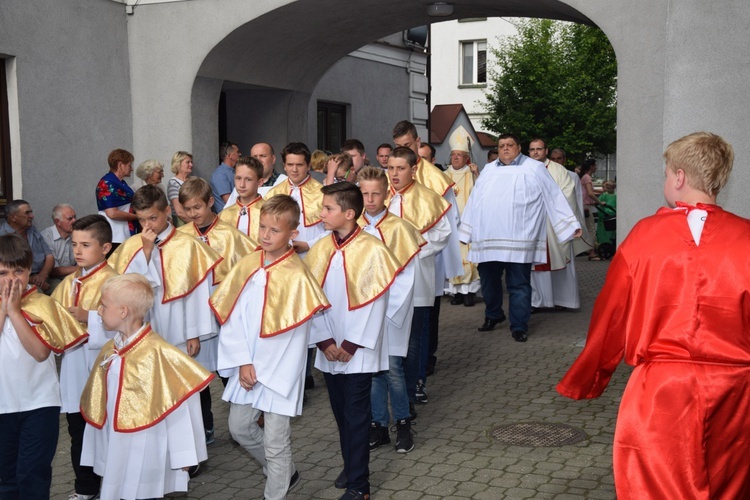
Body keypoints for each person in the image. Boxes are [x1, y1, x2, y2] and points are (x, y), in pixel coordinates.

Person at [557, 132, 750, 499]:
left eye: (665, 173)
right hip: (737, 391)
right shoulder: (747, 236)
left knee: (655, 484)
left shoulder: (645, 235)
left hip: (661, 389)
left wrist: (590, 375)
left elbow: (612, 314)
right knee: (731, 484)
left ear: (678, 177)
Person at [211, 195, 329, 500]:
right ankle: (286, 472)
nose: (265, 235)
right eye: (262, 227)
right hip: (247, 367)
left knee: (277, 443)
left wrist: (261, 367)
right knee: (239, 429)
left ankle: (274, 491)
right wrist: (242, 362)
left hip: (279, 373)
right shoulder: (248, 263)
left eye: (274, 230)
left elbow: (292, 339)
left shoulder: (297, 275)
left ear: (292, 234)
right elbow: (232, 319)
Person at [80, 274, 213, 500]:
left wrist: (184, 456)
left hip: (150, 447)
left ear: (123, 311)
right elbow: (101, 403)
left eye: (103, 305)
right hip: (118, 445)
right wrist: (97, 447)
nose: (98, 311)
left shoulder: (159, 353)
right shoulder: (110, 351)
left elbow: (180, 406)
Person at [108, 185, 222, 449]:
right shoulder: (132, 247)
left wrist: (194, 332)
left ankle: (192, 443)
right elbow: (130, 288)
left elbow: (197, 292)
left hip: (180, 326)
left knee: (184, 385)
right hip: (147, 326)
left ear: (168, 212)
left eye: (153, 218)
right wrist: (146, 251)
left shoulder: (188, 244)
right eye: (141, 219)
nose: (147, 225)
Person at [307, 182, 401, 500]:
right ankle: (351, 464)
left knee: (357, 414)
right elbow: (310, 298)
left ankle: (360, 485)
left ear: (348, 213)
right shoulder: (320, 248)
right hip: (328, 346)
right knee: (340, 413)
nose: (322, 213)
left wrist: (349, 344)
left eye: (328, 208)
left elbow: (375, 301)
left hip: (355, 351)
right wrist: (323, 341)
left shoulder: (372, 249)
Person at [459, 133, 580, 342]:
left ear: (519, 147)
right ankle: (494, 314)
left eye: (510, 145)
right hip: (489, 237)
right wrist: (466, 231)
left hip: (520, 238)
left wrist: (568, 224)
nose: (505, 149)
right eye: (502, 145)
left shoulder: (534, 168)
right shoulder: (488, 170)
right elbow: (475, 200)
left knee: (519, 284)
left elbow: (553, 195)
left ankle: (519, 325)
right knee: (489, 281)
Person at [0, 233, 88, 499]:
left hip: (39, 405)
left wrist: (15, 312)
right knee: (5, 478)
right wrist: (4, 309)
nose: (12, 280)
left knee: (33, 474)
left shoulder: (43, 304)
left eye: (19, 271)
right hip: (3, 406)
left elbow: (40, 353)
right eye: (3, 272)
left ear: (31, 271)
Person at [51, 214, 118, 500]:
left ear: (105, 248)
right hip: (76, 369)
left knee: (108, 429)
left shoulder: (115, 281)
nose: (77, 251)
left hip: (106, 370)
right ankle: (85, 487)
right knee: (78, 430)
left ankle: (116, 485)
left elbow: (127, 326)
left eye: (85, 245)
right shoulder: (68, 283)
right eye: (75, 244)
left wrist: (88, 317)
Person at [358, 166, 423, 454]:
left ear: (387, 193)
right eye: (364, 194)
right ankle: (378, 425)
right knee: (372, 370)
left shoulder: (399, 228)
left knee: (394, 369)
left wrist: (387, 308)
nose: (370, 200)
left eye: (375, 194)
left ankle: (404, 423)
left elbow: (406, 275)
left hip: (392, 309)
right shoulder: (353, 226)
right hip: (361, 312)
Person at [392, 120, 462, 382]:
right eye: (398, 147)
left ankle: (425, 359)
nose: (404, 151)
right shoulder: (390, 177)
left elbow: (447, 224)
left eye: (408, 146)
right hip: (395, 263)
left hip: (428, 256)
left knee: (427, 311)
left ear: (418, 142)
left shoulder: (436, 178)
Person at [386, 146, 451, 408]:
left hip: (417, 276)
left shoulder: (428, 198)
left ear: (414, 170)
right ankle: (394, 388)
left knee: (415, 339)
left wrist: (412, 248)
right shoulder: (380, 198)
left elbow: (442, 235)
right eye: (390, 168)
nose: (394, 174)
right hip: (386, 280)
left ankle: (414, 387)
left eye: (400, 168)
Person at [527, 138, 586, 311]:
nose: (536, 152)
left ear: (546, 150)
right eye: (532, 150)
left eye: (539, 149)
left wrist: (547, 206)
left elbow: (567, 194)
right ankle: (537, 302)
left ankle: (564, 300)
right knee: (534, 264)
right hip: (533, 225)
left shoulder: (558, 170)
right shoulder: (523, 170)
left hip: (554, 225)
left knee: (560, 260)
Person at [265, 142, 325, 256]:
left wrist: (309, 244)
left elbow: (333, 229)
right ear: (284, 166)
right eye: (290, 164)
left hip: (314, 255)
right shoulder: (273, 193)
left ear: (308, 166)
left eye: (299, 164)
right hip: (281, 256)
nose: (294, 169)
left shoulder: (323, 194)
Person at [444, 126, 480, 307]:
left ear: (467, 157)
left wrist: (477, 174)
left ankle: (469, 293)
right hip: (450, 224)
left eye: (459, 155)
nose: (456, 157)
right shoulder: (443, 176)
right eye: (453, 154)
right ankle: (455, 293)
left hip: (468, 224)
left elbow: (482, 194)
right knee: (453, 257)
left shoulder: (472, 175)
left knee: (469, 258)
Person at [0, 199, 54, 293]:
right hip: (20, 279)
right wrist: (32, 279)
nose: (32, 216)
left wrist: (43, 275)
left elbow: (49, 256)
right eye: (27, 213)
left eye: (31, 212)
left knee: (65, 289)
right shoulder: (3, 236)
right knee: (38, 295)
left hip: (43, 276)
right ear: (13, 217)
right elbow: (7, 272)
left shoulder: (32, 230)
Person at [96, 148, 138, 247]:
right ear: (120, 165)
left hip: (123, 233)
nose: (131, 169)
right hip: (114, 235)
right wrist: (139, 217)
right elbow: (112, 213)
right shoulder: (107, 183)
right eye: (129, 165)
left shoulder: (120, 182)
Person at [219, 156, 265, 241]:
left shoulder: (269, 212)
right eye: (238, 178)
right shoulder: (224, 215)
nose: (242, 185)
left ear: (260, 182)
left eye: (248, 179)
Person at [41, 203, 78, 285]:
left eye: (75, 217)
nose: (74, 221)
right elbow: (53, 271)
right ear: (58, 222)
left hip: (74, 276)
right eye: (70, 219)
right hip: (52, 279)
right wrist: (79, 268)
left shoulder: (77, 233)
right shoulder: (46, 237)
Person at [579, 158, 603, 260]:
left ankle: (590, 249)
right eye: (595, 165)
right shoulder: (587, 177)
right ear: (591, 166)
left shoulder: (584, 177)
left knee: (588, 229)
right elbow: (590, 193)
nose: (596, 167)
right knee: (592, 230)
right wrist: (599, 202)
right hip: (586, 207)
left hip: (585, 205)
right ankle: (592, 252)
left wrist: (602, 193)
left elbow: (589, 192)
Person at [210, 141, 240, 212]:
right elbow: (229, 201)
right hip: (227, 217)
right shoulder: (220, 174)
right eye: (237, 152)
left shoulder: (234, 171)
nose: (240, 154)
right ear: (230, 155)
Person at [167, 151, 194, 227]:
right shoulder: (173, 183)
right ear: (178, 164)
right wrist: (197, 223)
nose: (191, 165)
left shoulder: (192, 180)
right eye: (188, 162)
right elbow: (179, 212)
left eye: (191, 162)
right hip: (183, 224)